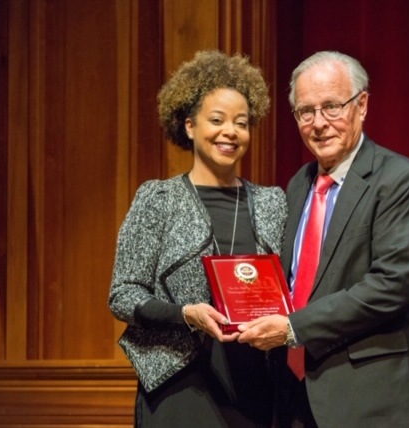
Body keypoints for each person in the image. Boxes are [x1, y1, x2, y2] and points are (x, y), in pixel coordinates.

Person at [237, 51, 409, 427]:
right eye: (306, 111)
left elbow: (390, 287)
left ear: (362, 104)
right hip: (304, 396)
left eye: (332, 107)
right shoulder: (298, 185)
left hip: (383, 400)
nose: (319, 123)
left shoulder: (401, 181)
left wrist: (292, 327)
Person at [108, 50, 287, 427]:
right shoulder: (159, 199)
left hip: (259, 384)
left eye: (241, 122)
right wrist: (185, 314)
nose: (230, 132)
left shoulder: (273, 202)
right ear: (189, 126)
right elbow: (123, 294)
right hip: (180, 385)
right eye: (217, 120)